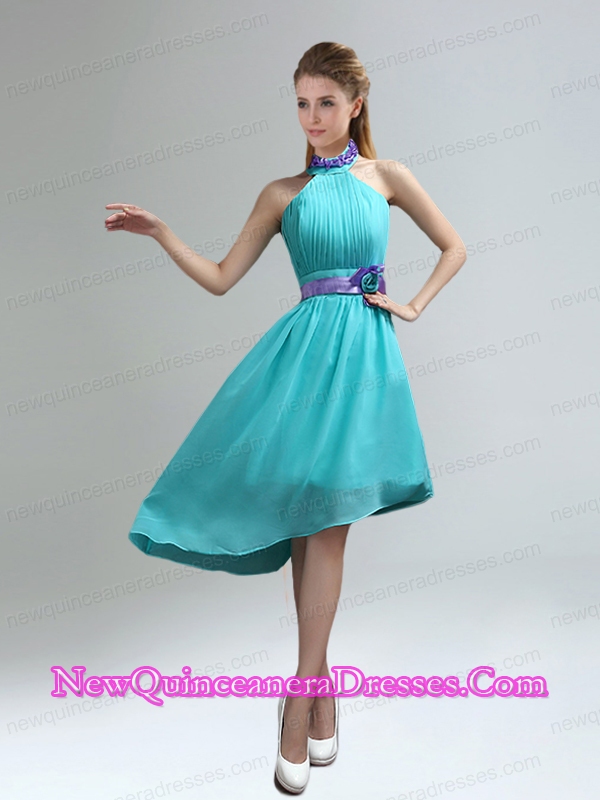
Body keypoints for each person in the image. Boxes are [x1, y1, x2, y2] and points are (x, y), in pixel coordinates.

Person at [105, 41, 466, 795]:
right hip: (301, 365)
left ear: (356, 105)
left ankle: (298, 700)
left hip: (363, 364)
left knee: (328, 517)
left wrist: (412, 305)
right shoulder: (281, 193)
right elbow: (220, 278)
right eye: (302, 104)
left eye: (326, 103)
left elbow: (455, 247)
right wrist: (163, 233)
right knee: (311, 520)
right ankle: (317, 691)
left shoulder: (388, 177)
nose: (312, 117)